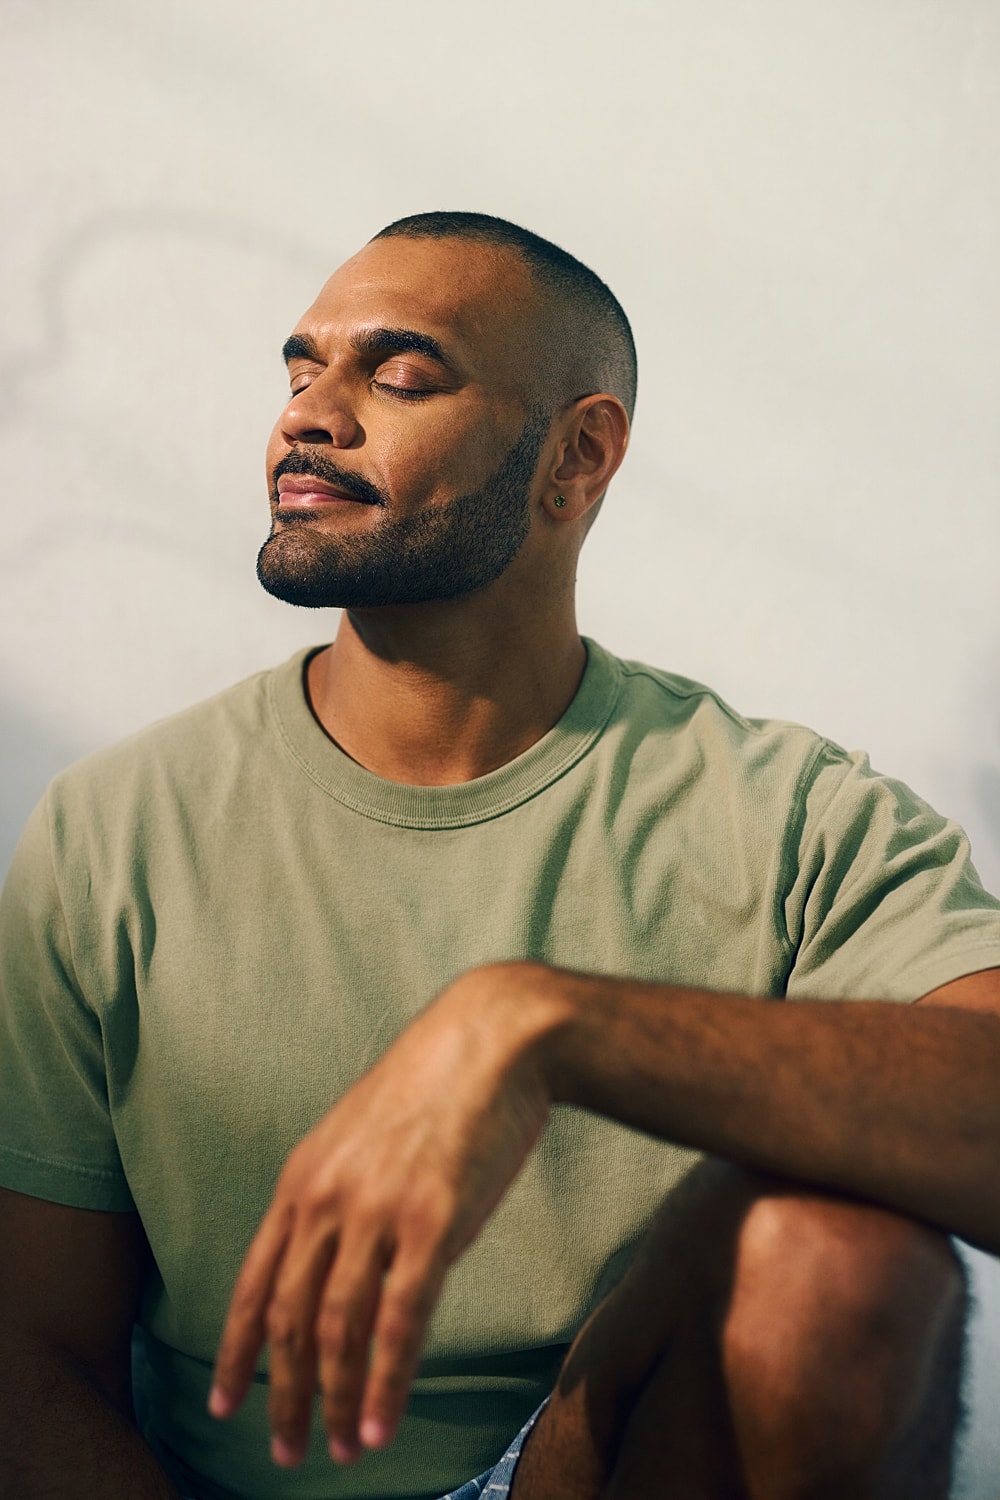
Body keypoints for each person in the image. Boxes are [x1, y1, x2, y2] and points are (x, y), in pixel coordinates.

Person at [1, 211, 999, 1500]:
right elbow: (29, 1353)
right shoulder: (112, 829)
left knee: (845, 1255)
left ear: (577, 456)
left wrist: (539, 1024)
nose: (309, 416)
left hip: (593, 1465)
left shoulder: (793, 817)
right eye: (301, 370)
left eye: (400, 375)